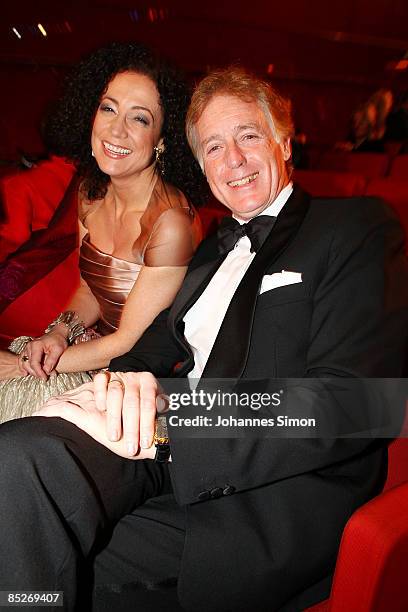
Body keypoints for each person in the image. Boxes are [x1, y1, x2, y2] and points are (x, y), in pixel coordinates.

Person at [0, 67, 407, 612]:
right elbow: (157, 348)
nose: (232, 159)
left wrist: (175, 420)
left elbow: (355, 403)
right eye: (213, 146)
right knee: (20, 457)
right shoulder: (214, 245)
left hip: (263, 499)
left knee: (38, 561)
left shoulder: (356, 227)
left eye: (248, 135)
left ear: (284, 141)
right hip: (160, 446)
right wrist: (102, 391)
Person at [0, 42, 207, 420]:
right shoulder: (90, 193)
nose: (116, 129)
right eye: (108, 108)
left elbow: (129, 343)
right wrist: (59, 332)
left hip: (134, 379)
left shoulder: (172, 223)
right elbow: (89, 288)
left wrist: (23, 367)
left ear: (163, 139)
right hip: (90, 350)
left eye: (139, 118)